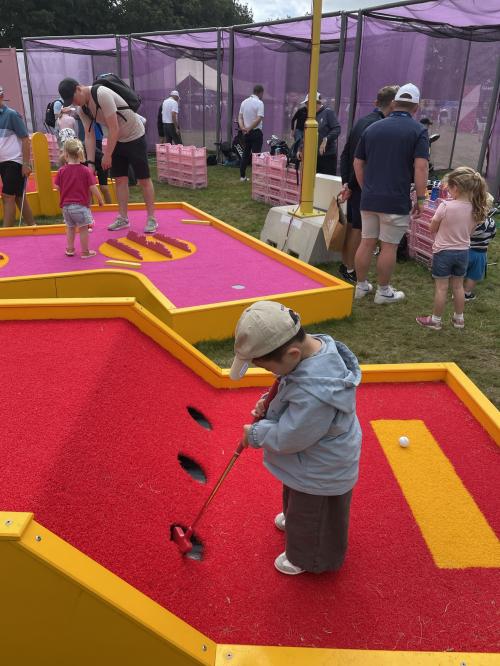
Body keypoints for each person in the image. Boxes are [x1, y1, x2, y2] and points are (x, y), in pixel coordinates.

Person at [230, 300, 362, 576]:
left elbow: (292, 436)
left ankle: (309, 558)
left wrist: (256, 434)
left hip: (321, 467)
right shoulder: (311, 353)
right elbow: (290, 390)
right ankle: (296, 521)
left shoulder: (317, 394)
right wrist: (270, 402)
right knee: (298, 497)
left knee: (315, 513)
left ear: (292, 354)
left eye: (270, 369)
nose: (272, 375)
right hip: (309, 461)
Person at [353, 83, 429, 304]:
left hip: (369, 198)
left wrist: (366, 187)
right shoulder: (418, 131)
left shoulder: (372, 128)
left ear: (394, 103)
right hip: (395, 199)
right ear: (416, 107)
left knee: (366, 242)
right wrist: (421, 199)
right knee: (389, 246)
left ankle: (360, 286)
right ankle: (383, 291)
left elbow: (358, 162)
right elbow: (421, 167)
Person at [58, 77, 157, 234]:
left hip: (134, 136)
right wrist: (90, 163)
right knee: (120, 179)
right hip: (116, 139)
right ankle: (123, 218)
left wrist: (107, 155)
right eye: (71, 102)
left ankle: (151, 218)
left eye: (74, 98)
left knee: (143, 179)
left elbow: (114, 127)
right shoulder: (82, 109)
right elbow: (89, 136)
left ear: (78, 88)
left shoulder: (101, 94)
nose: (75, 103)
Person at [338, 85, 399, 283]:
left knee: (353, 226)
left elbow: (346, 153)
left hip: (355, 184)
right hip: (363, 186)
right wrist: (354, 185)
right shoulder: (376, 127)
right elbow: (361, 160)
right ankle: (350, 269)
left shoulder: (362, 121)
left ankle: (346, 266)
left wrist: (346, 183)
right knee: (359, 229)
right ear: (393, 104)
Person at [416, 167, 489, 330]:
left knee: (442, 288)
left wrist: (435, 224)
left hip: (443, 252)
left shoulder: (445, 206)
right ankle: (459, 319)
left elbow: (432, 228)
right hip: (463, 252)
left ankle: (435, 320)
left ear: (456, 187)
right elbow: (470, 232)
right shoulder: (476, 208)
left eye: (449, 188)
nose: (448, 191)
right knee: (458, 286)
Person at [54, 137, 104, 259]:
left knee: (70, 228)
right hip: (81, 206)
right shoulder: (86, 171)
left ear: (65, 154)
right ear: (80, 153)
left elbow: (57, 187)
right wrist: (100, 199)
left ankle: (70, 249)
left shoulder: (61, 171)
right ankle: (85, 252)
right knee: (83, 229)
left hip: (66, 207)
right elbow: (93, 187)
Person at [0, 85, 35, 227]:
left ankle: (6, 233)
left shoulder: (12, 115)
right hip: (2, 162)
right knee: (19, 196)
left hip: (14, 161)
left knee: (7, 196)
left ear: (2, 97)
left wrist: (26, 163)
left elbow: (25, 139)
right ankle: (32, 225)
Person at [463, 195, 496, 301]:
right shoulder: (491, 223)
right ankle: (466, 294)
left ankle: (457, 291)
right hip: (480, 254)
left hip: (465, 250)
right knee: (473, 275)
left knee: (460, 271)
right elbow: (492, 235)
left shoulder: (469, 220)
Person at [238, 84, 264, 182]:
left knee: (245, 154)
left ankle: (242, 176)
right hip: (256, 132)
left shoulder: (244, 102)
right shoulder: (260, 103)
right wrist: (249, 128)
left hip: (246, 133)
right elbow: (259, 118)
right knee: (256, 156)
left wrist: (243, 128)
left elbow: (240, 117)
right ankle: (256, 177)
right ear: (261, 93)